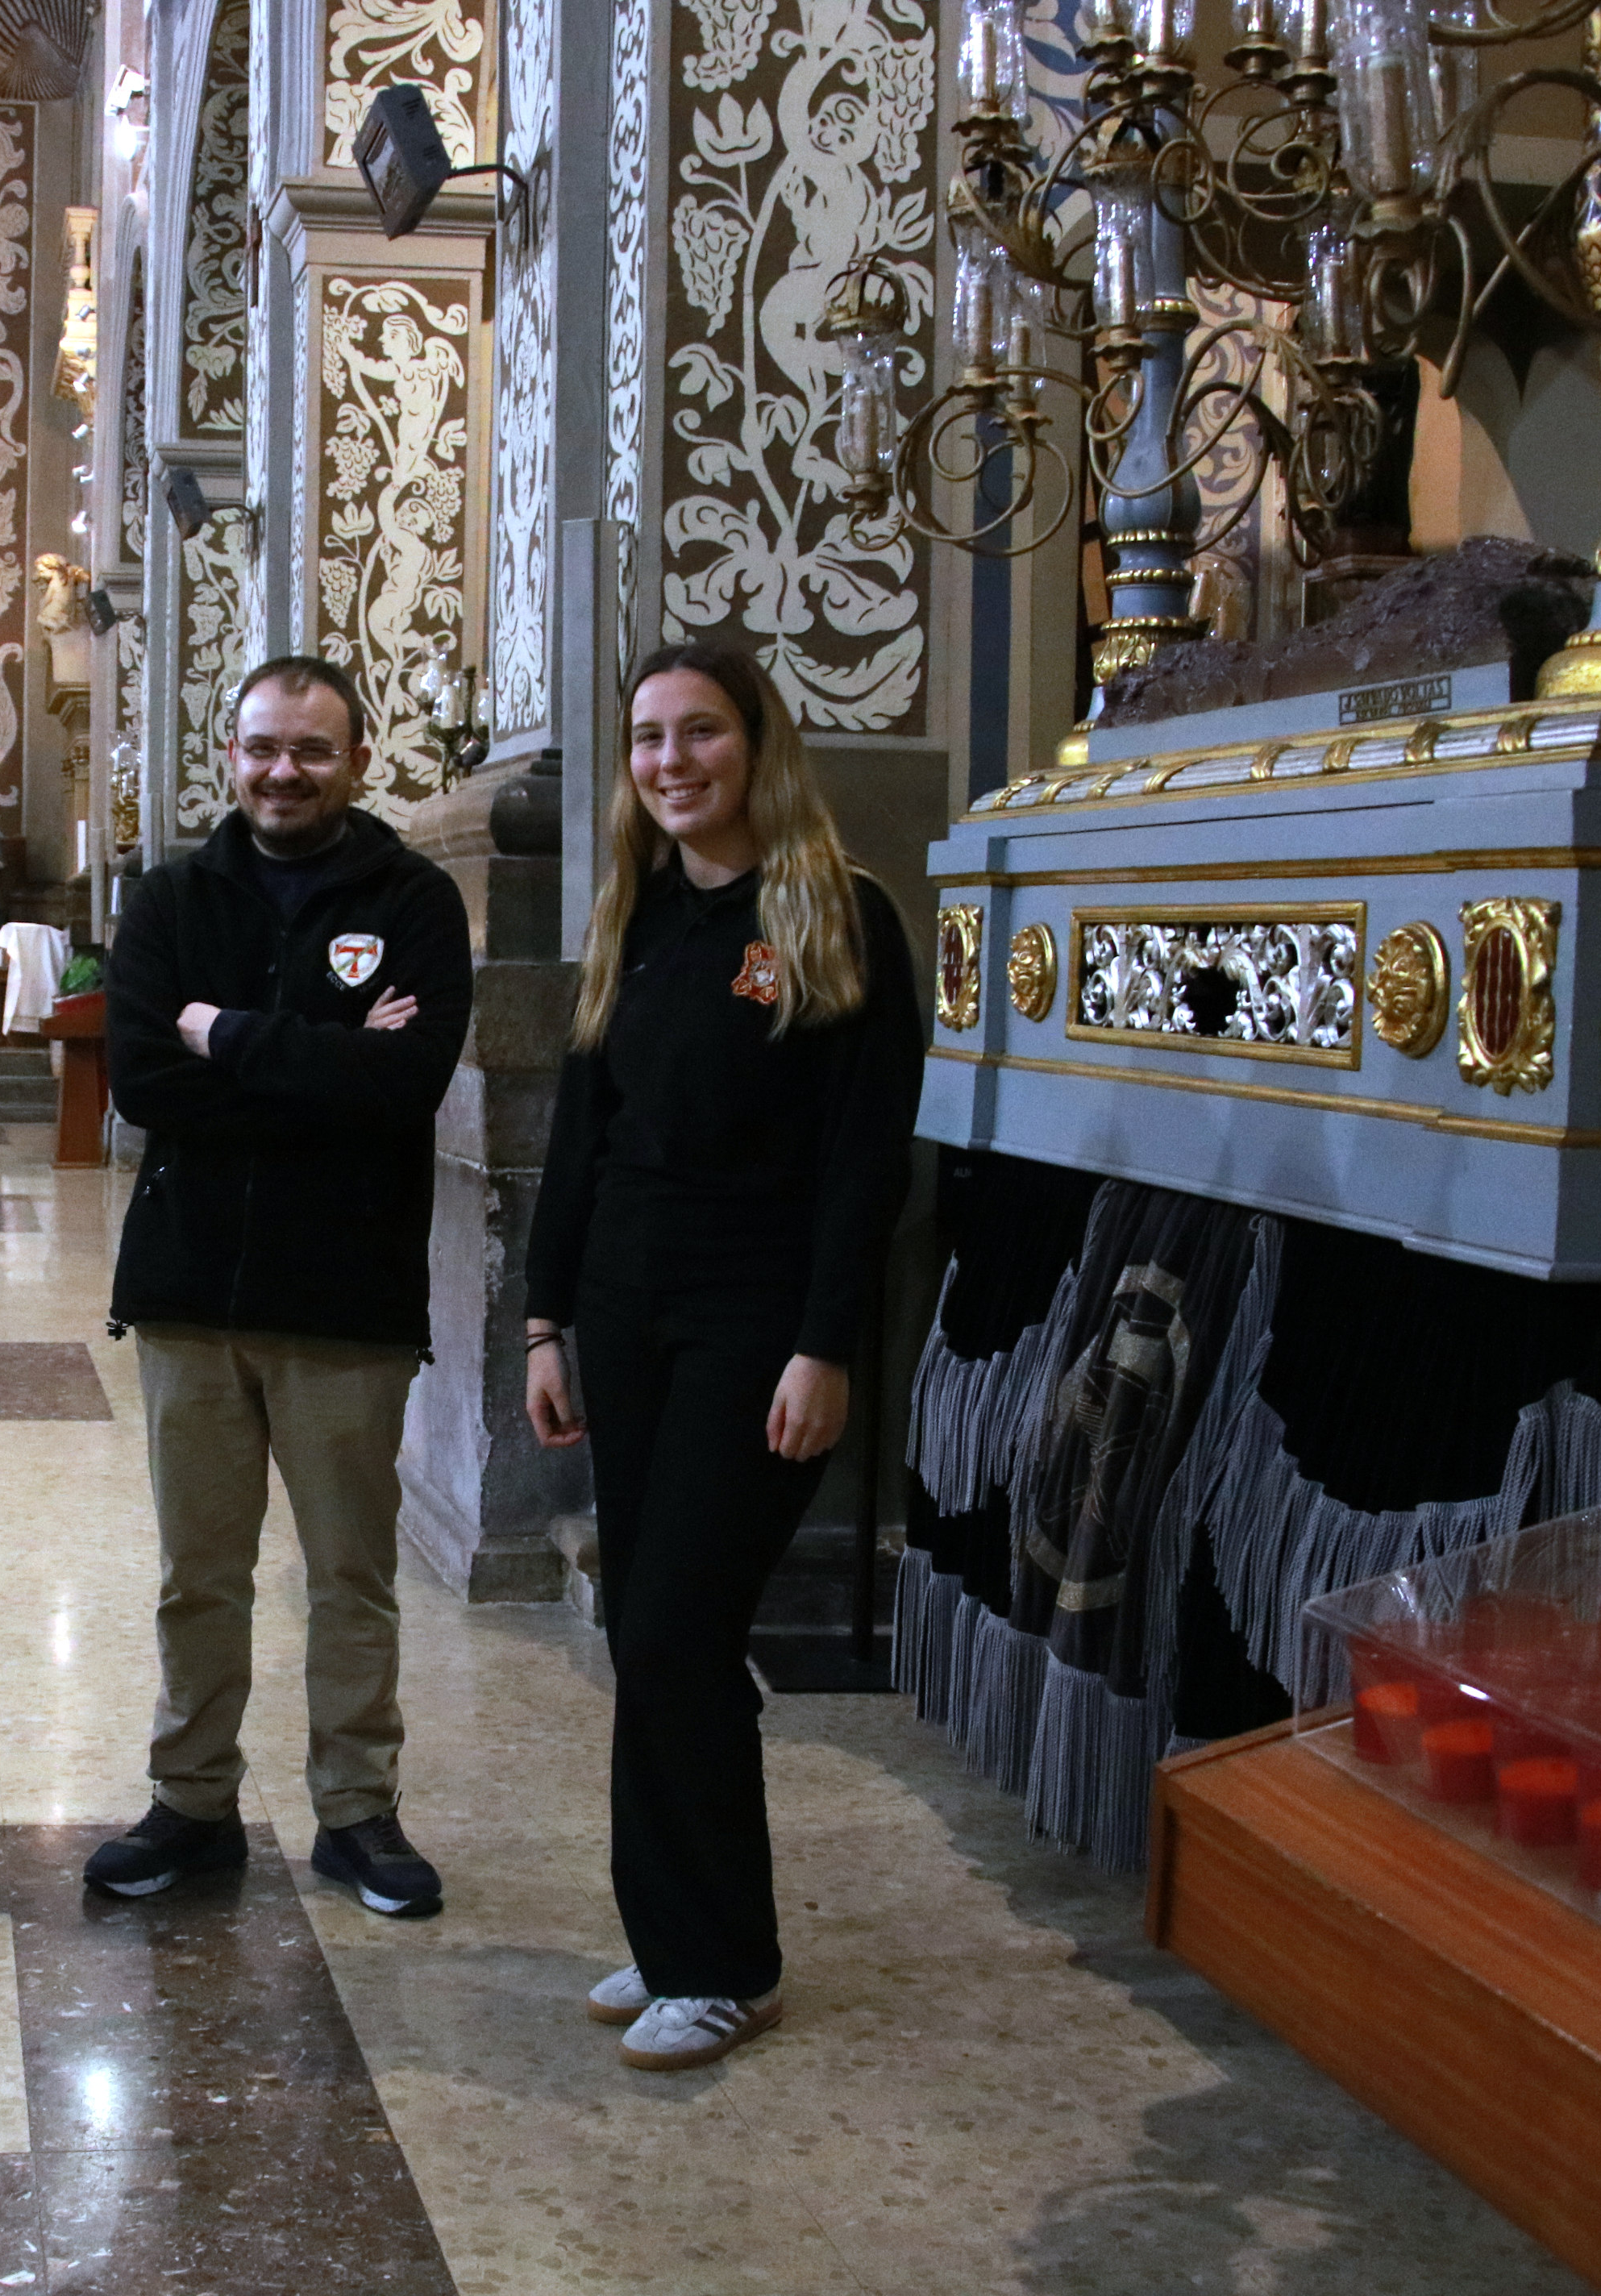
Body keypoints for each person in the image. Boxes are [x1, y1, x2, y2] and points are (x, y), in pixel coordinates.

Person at [522, 641, 920, 2070]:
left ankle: (725, 1961)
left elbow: (864, 1166)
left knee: (682, 1626)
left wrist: (826, 1347)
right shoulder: (633, 914)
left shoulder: (838, 913)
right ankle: (676, 1932)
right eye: (647, 739)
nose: (672, 761)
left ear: (757, 745)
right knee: (648, 1625)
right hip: (625, 1314)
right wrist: (544, 1322)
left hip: (756, 1326)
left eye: (700, 733)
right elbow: (581, 1139)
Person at [89, 654, 473, 1915]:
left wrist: (230, 1037)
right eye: (262, 747)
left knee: (349, 1574)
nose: (283, 771)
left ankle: (358, 1812)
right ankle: (192, 1802)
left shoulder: (412, 899)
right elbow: (143, 1081)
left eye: (311, 750)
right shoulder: (170, 900)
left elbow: (401, 1086)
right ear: (230, 754)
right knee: (198, 1573)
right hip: (190, 1289)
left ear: (357, 761)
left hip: (343, 1296)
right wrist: (320, 1062)